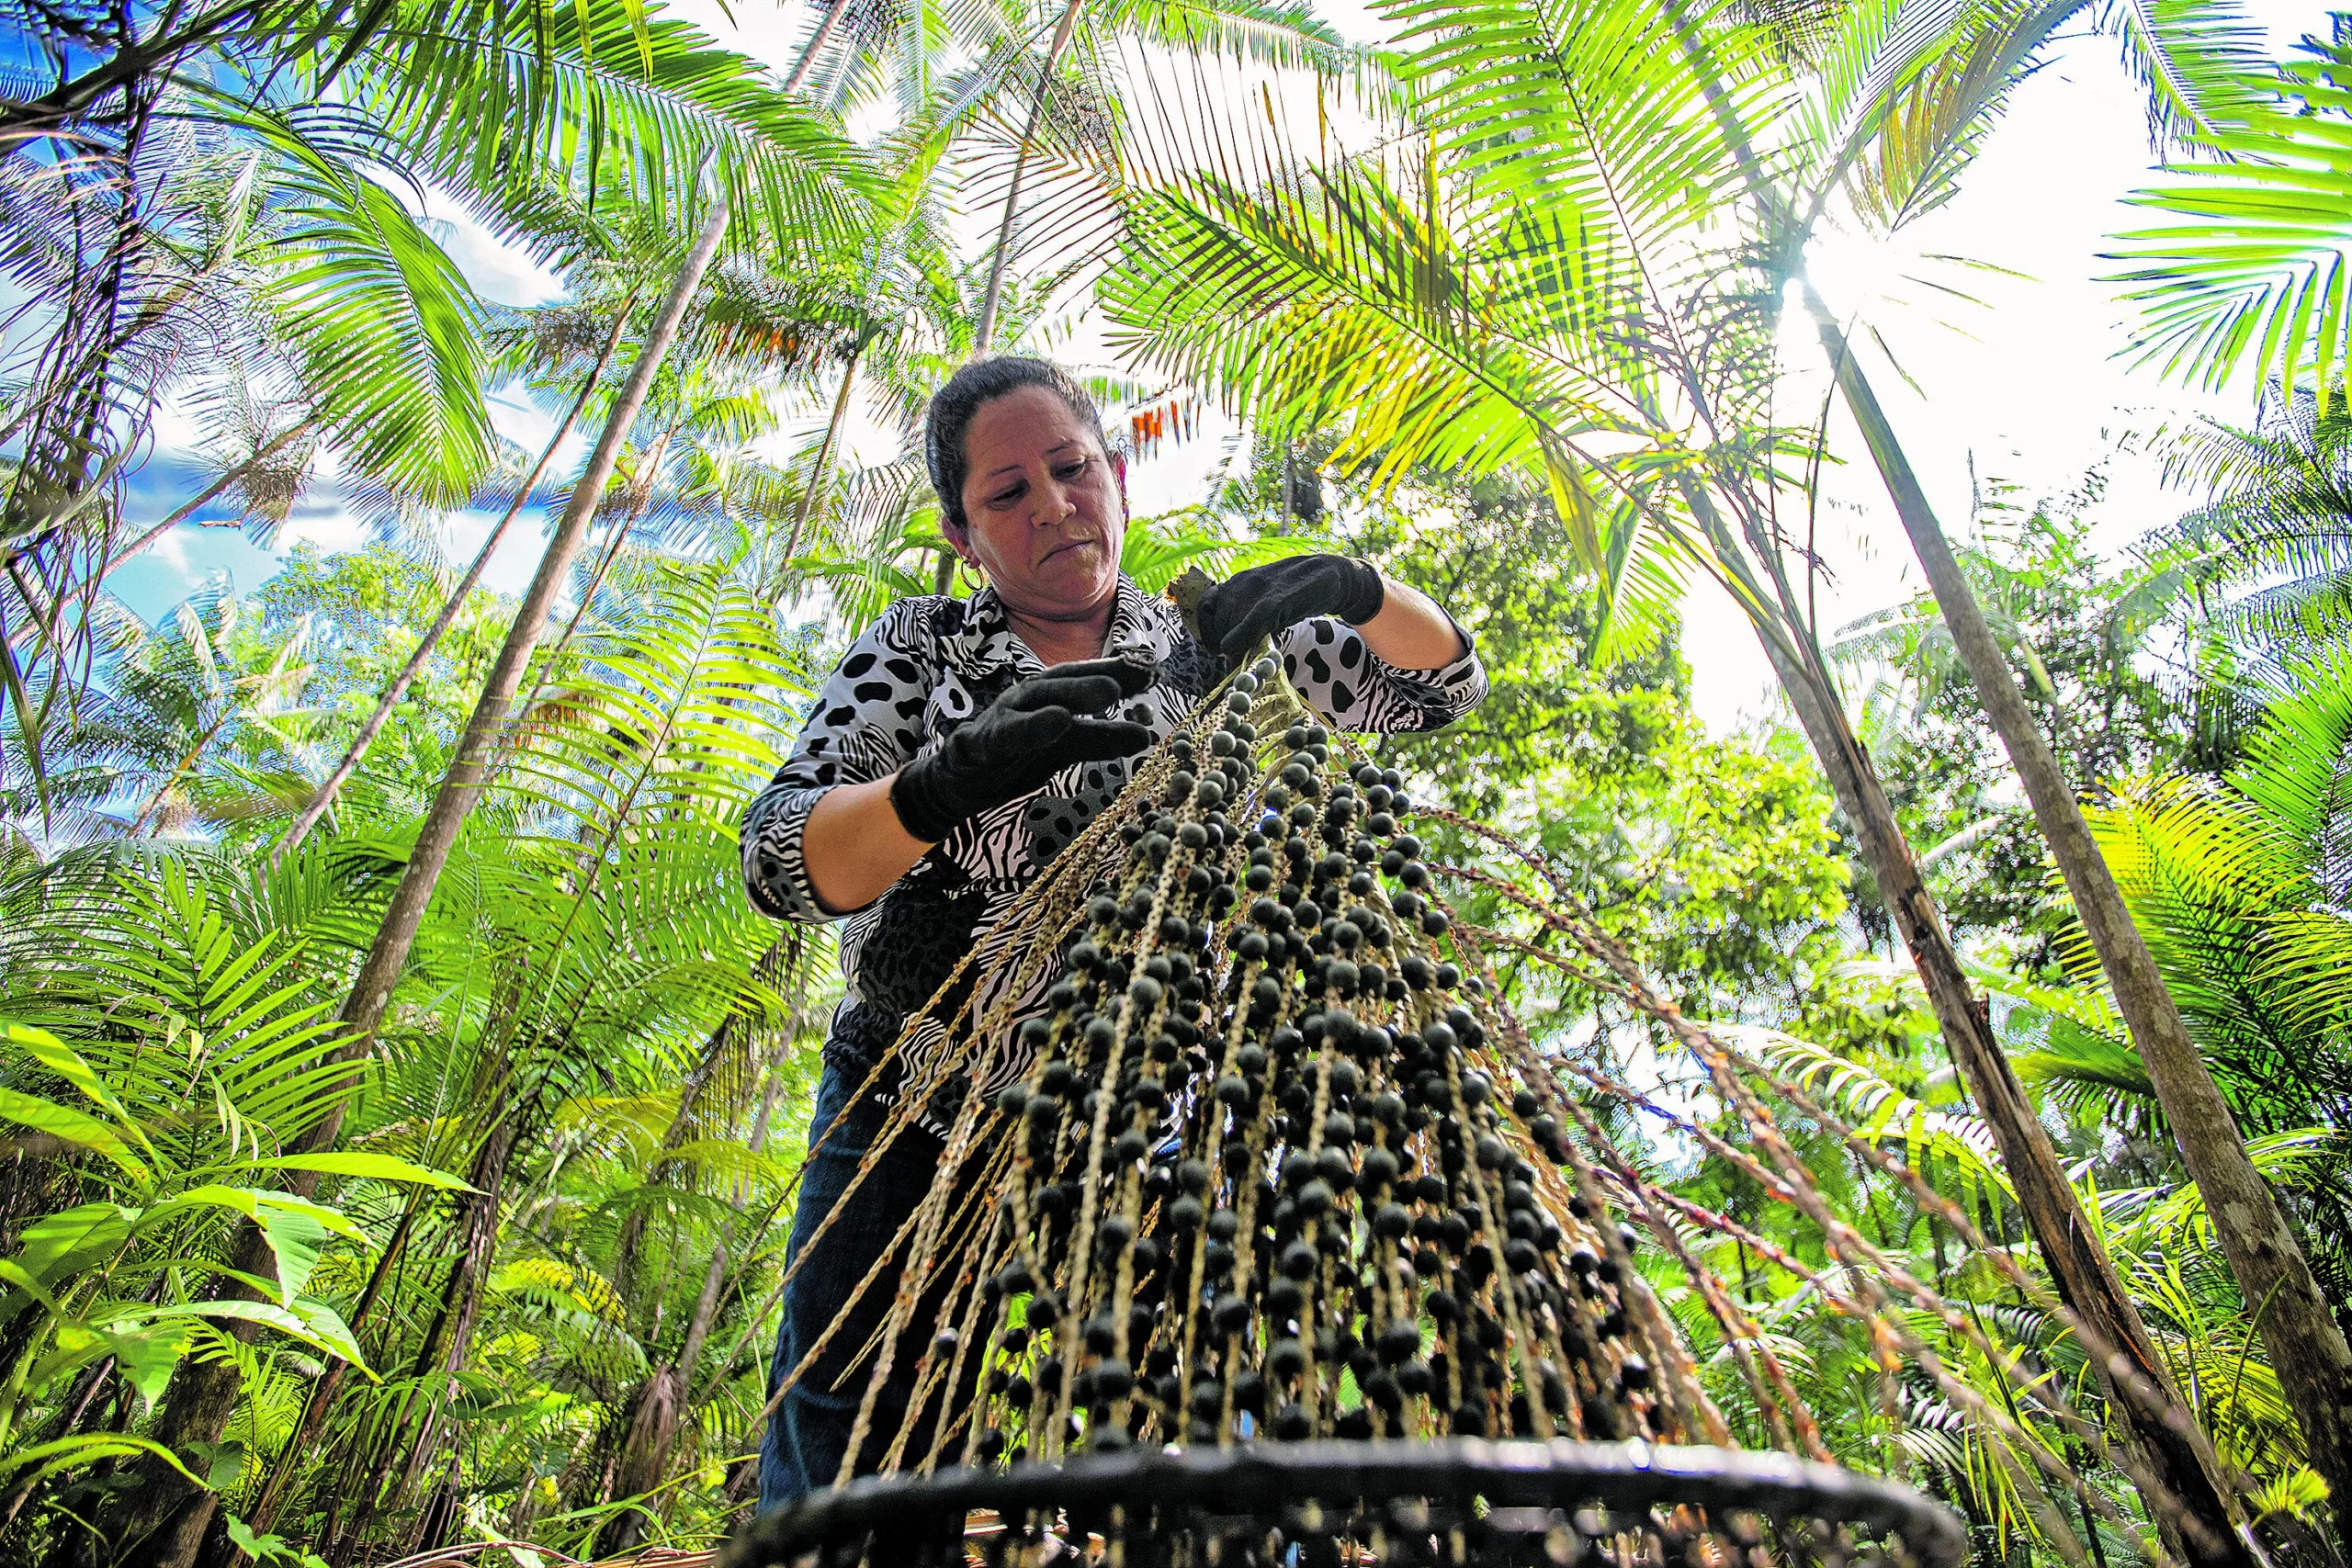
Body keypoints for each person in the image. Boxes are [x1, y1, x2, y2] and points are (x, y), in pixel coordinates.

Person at [739, 356, 1487, 1511]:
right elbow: (781, 856)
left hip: (1158, 1105)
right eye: (1005, 494)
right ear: (959, 533)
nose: (1050, 504)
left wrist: (1354, 585)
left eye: (1071, 467)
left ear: (1116, 474)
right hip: (919, 1085)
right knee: (846, 1423)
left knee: (1216, 1415)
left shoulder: (1213, 644)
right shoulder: (923, 647)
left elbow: (1443, 691)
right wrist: (931, 791)